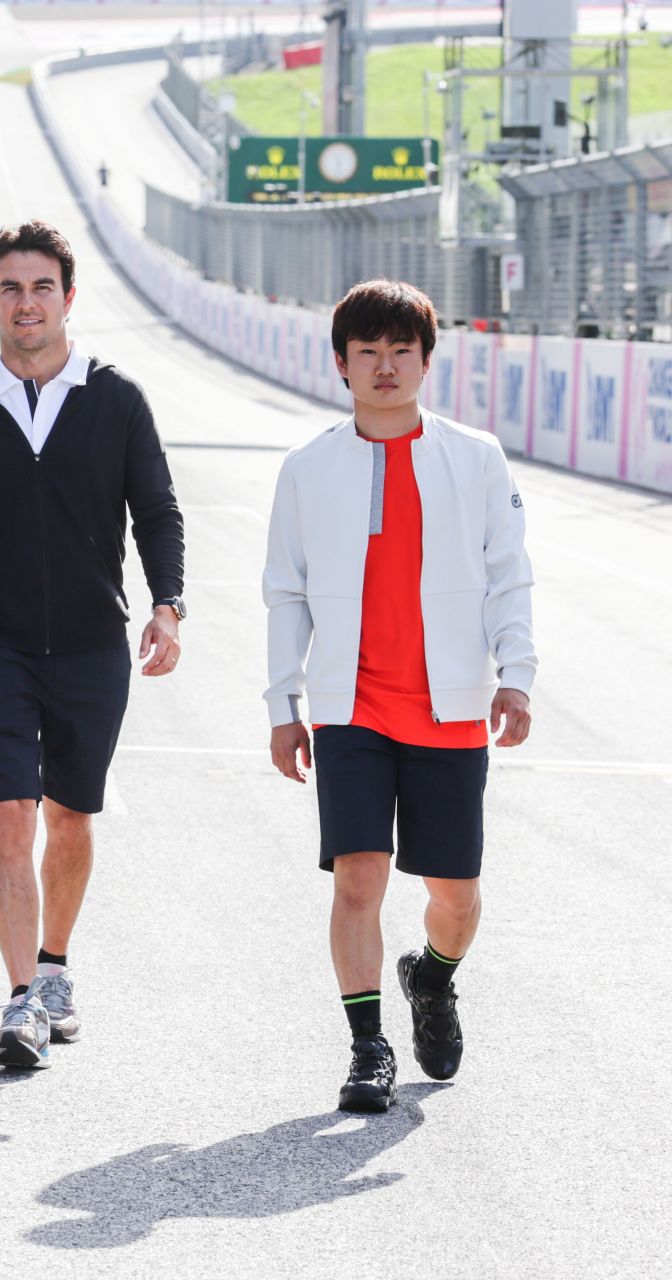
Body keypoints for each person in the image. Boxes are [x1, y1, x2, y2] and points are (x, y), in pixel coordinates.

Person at [0, 221, 185, 1069]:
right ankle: (22, 998)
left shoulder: (117, 398)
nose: (26, 304)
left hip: (93, 645)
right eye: (10, 289)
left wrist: (167, 606)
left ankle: (55, 969)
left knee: (70, 814)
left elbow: (158, 511)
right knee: (9, 817)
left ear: (68, 296)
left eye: (41, 288)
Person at [263, 278, 535, 1114]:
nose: (385, 367)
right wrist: (285, 705)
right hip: (351, 709)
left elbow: (507, 575)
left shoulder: (476, 457)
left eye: (401, 351)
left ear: (427, 359)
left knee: (455, 896)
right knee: (357, 880)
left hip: (449, 706)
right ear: (341, 363)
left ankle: (433, 976)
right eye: (368, 352)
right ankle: (367, 1046)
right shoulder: (308, 469)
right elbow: (286, 592)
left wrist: (515, 675)